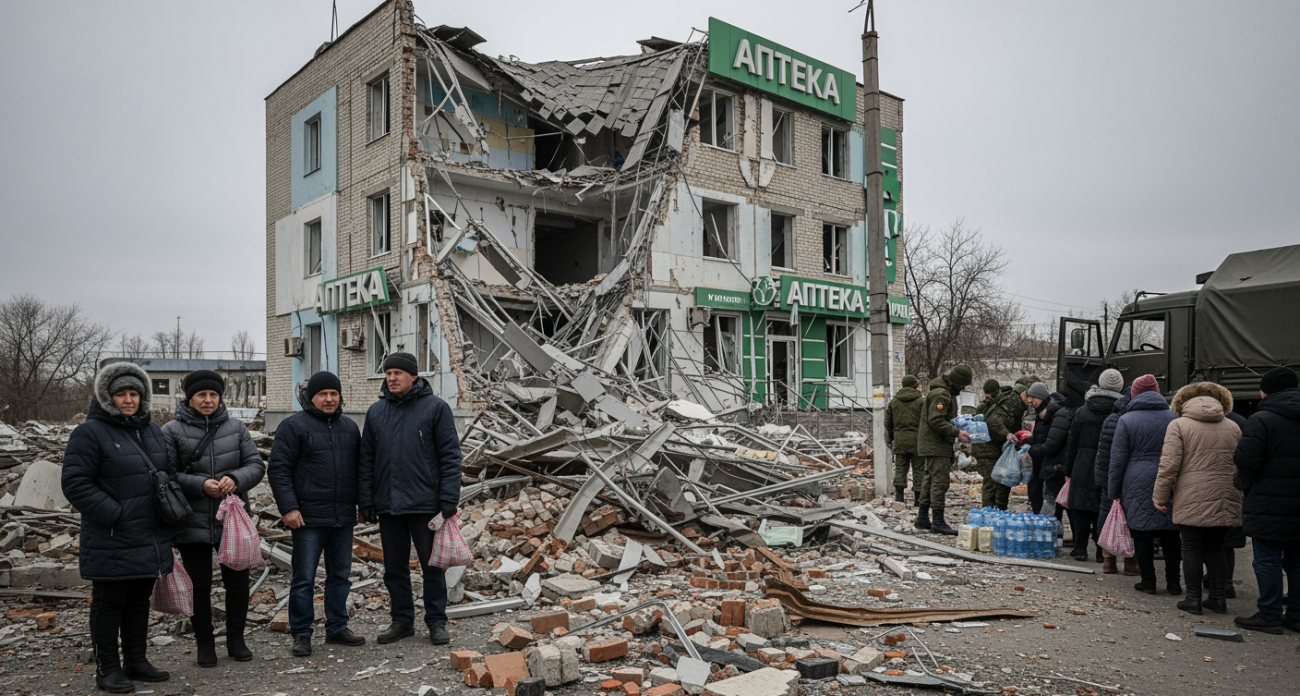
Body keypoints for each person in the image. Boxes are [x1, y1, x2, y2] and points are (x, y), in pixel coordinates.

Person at [61, 363, 175, 693]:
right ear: (107, 397)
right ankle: (108, 668)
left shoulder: (151, 430)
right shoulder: (90, 432)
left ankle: (136, 660)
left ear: (143, 396)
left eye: (134, 394)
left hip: (148, 534)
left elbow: (164, 473)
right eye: (121, 394)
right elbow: (75, 482)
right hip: (111, 535)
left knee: (139, 600)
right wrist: (115, 513)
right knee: (109, 602)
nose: (128, 400)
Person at [359, 352, 464, 645]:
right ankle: (402, 621)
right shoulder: (377, 412)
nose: (392, 378)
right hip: (389, 506)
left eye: (398, 373)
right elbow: (367, 459)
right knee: (394, 568)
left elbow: (450, 456)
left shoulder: (435, 409)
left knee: (432, 567)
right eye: (388, 373)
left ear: (414, 377)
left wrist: (448, 499)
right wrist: (366, 499)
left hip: (426, 505)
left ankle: (436, 622)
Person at [163, 370, 265, 667]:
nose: (208, 400)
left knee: (237, 584)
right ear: (190, 398)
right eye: (201, 395)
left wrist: (235, 478)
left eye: (213, 395)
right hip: (190, 520)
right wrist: (200, 484)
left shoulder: (236, 428)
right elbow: (166, 475)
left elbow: (256, 465)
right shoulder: (171, 431)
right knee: (199, 585)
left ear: (220, 397)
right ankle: (204, 644)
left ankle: (236, 639)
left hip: (231, 521)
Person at [268, 371, 366, 657]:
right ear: (310, 397)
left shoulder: (349, 427)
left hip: (342, 516)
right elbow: (279, 470)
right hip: (308, 517)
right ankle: (301, 633)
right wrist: (288, 508)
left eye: (333, 394)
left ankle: (337, 626)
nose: (329, 399)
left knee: (340, 577)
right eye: (322, 394)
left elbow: (360, 471)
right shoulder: (293, 427)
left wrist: (361, 506)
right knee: (304, 578)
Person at [1152, 381, 1242, 615]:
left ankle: (1193, 599)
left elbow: (1169, 465)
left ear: (1183, 402)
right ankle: (1218, 598)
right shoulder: (1233, 426)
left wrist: (1160, 497)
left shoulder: (1178, 425)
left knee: (1191, 547)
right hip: (1226, 493)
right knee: (1217, 547)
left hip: (1191, 494)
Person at [1232, 366, 1300, 634]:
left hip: (1269, 502)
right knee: (1296, 560)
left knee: (1267, 559)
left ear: (1264, 391)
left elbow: (1245, 459)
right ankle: (1295, 615)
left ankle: (1269, 614)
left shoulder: (1262, 419)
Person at [1109, 374, 1181, 595]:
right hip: (1168, 478)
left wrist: (1113, 491)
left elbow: (1118, 459)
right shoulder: (1174, 417)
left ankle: (1148, 582)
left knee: (1141, 532)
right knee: (1171, 533)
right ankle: (1174, 583)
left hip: (1135, 480)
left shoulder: (1126, 420)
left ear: (1134, 394)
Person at [1063, 369, 1123, 561]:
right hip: (1107, 463)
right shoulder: (1120, 413)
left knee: (1080, 506)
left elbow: (1071, 443)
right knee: (1101, 506)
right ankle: (1100, 551)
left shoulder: (1082, 411)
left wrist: (1069, 469)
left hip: (1082, 462)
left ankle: (1080, 548)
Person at [913, 365, 973, 535]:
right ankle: (938, 521)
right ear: (955, 382)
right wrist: (957, 432)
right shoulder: (942, 394)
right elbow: (936, 420)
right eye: (962, 385)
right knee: (939, 482)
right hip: (936, 445)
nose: (963, 389)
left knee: (929, 481)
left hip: (932, 444)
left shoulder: (945, 392)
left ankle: (922, 518)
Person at [1093, 386, 1139, 576]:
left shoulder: (1112, 418)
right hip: (1136, 478)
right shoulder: (1141, 419)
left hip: (1111, 476)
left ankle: (1108, 560)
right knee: (1134, 519)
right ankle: (1131, 562)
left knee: (1108, 515)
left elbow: (1103, 453)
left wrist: (1102, 479)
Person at [971, 379, 1023, 510]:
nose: (990, 397)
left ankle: (1000, 509)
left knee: (1002, 480)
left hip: (998, 448)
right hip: (986, 449)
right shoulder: (985, 407)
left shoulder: (1002, 405)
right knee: (990, 482)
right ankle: (988, 510)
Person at [1026, 382, 1072, 521]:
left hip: (1055, 467)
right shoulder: (1042, 413)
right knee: (1038, 496)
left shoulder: (1058, 415)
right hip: (1044, 465)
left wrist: (1034, 450)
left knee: (1054, 503)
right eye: (1029, 397)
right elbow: (1041, 438)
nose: (1030, 401)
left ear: (1042, 397)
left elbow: (1052, 443)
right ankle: (1047, 529)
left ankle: (1054, 533)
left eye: (1034, 397)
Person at [884, 375, 924, 504]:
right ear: (914, 385)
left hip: (900, 439)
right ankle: (918, 498)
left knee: (901, 467)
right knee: (919, 468)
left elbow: (888, 422)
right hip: (917, 439)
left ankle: (899, 496)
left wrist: (891, 437)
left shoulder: (894, 402)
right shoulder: (921, 401)